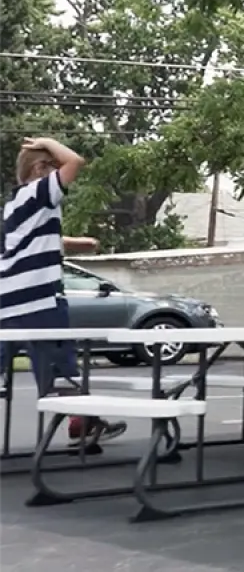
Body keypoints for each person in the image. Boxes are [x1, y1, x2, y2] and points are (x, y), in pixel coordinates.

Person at [3, 139, 127, 445]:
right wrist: (48, 143)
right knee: (60, 367)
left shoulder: (14, 204)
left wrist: (76, 243)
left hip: (7, 303)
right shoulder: (41, 191)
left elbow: (35, 239)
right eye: (52, 168)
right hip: (39, 301)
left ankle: (82, 421)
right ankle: (81, 421)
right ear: (40, 169)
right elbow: (76, 162)